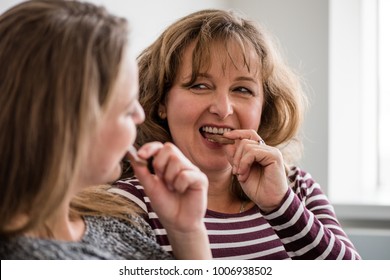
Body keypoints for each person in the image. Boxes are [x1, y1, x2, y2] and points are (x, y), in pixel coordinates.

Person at [113, 9, 361, 260]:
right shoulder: (129, 204)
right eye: (200, 85)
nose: (223, 109)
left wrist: (281, 205)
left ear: (265, 107)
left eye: (242, 89)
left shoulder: (298, 187)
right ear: (161, 102)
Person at [0, 0, 211, 260]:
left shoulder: (112, 218)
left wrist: (187, 232)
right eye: (126, 108)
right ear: (68, 124)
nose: (141, 115)